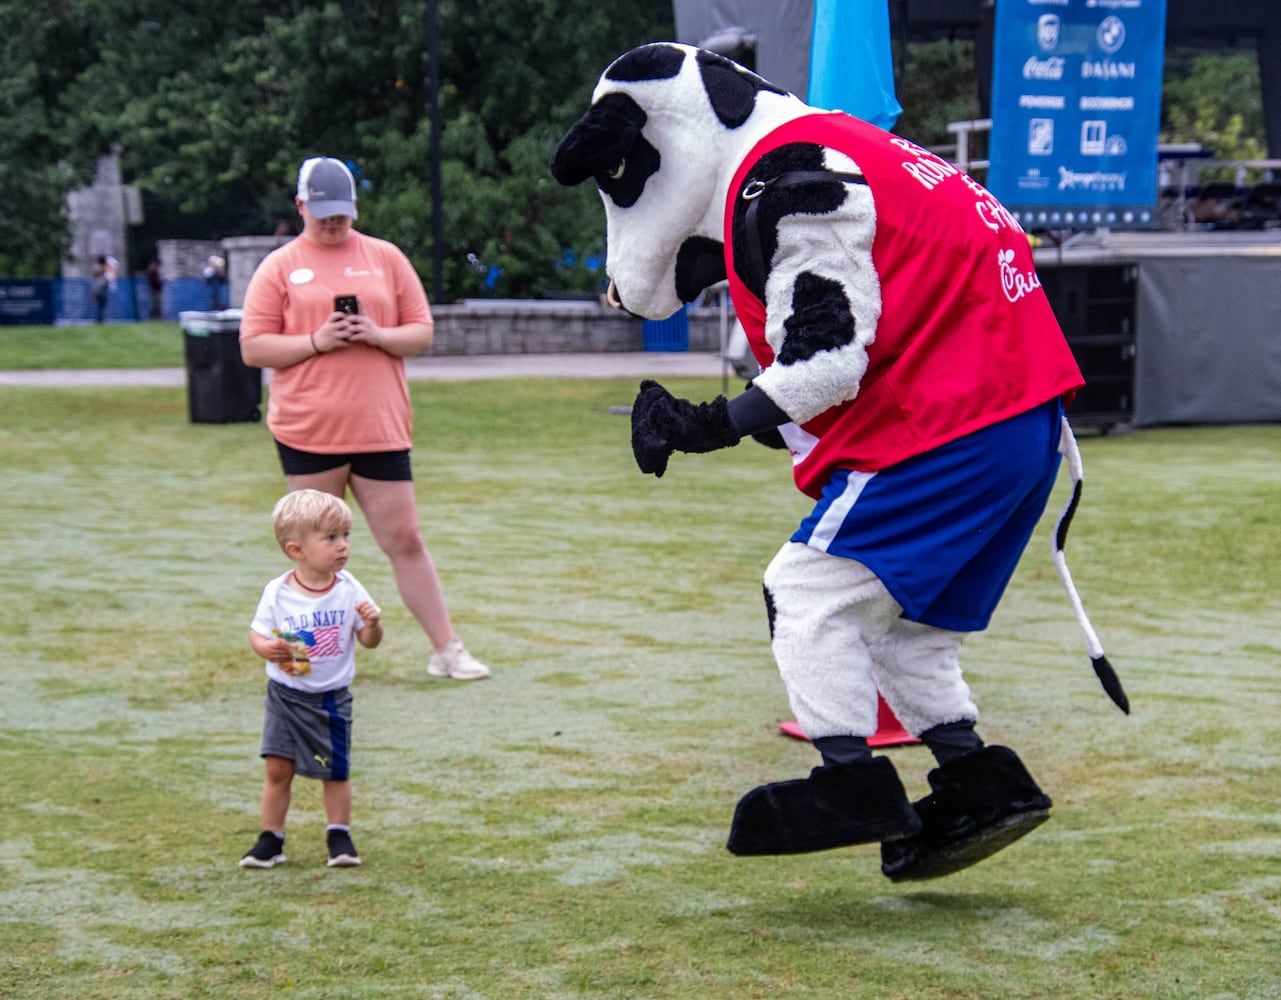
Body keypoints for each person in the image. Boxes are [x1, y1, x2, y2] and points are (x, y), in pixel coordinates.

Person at [240, 156, 490, 681]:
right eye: (323, 214)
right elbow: (254, 347)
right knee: (311, 552)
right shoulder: (279, 266)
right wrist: (316, 340)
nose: (334, 224)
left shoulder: (385, 258)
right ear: (301, 206)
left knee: (405, 539)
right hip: (309, 431)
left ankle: (447, 649)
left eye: (342, 215)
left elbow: (420, 333)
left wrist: (376, 334)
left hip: (380, 429)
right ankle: (304, 655)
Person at [240, 489, 383, 869]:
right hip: (286, 696)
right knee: (277, 767)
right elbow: (258, 632)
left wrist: (372, 624)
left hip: (329, 701)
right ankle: (271, 838)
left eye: (346, 536)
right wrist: (265, 648)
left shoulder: (349, 588)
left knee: (333, 769)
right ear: (296, 550)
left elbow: (368, 643)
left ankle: (339, 834)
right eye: (331, 538)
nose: (343, 546)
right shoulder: (278, 591)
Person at [90, 256, 110, 323]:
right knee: (101, 307)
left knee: (99, 306)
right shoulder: (104, 268)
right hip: (102, 290)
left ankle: (99, 320)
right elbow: (106, 280)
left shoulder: (96, 269)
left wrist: (93, 292)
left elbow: (94, 281)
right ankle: (99, 321)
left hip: (97, 290)